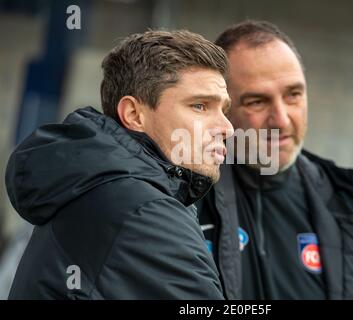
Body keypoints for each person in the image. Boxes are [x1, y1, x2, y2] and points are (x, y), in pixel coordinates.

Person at [6, 29, 233, 299]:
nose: (227, 128)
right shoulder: (141, 210)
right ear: (134, 114)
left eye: (224, 110)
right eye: (200, 106)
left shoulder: (97, 187)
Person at [198, 21, 353, 300]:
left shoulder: (337, 197)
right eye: (257, 101)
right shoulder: (186, 195)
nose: (282, 120)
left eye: (293, 95)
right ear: (221, 108)